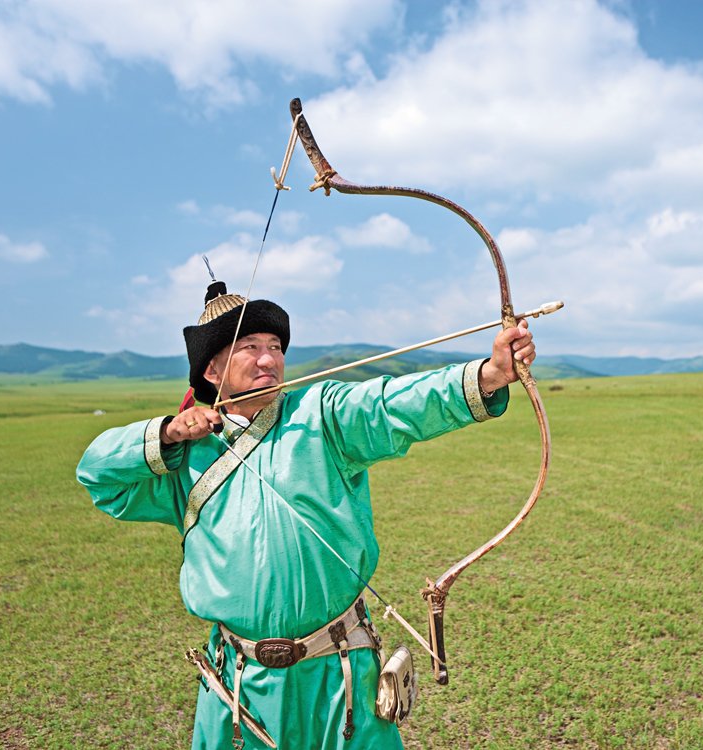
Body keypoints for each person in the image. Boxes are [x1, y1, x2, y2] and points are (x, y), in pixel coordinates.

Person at [77, 279, 535, 750]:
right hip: (238, 680)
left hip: (339, 668)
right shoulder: (183, 457)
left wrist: (490, 374)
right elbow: (96, 474)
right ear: (212, 372)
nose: (268, 358)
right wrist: (166, 434)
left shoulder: (321, 414)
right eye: (249, 347)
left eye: (275, 346)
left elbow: (393, 405)